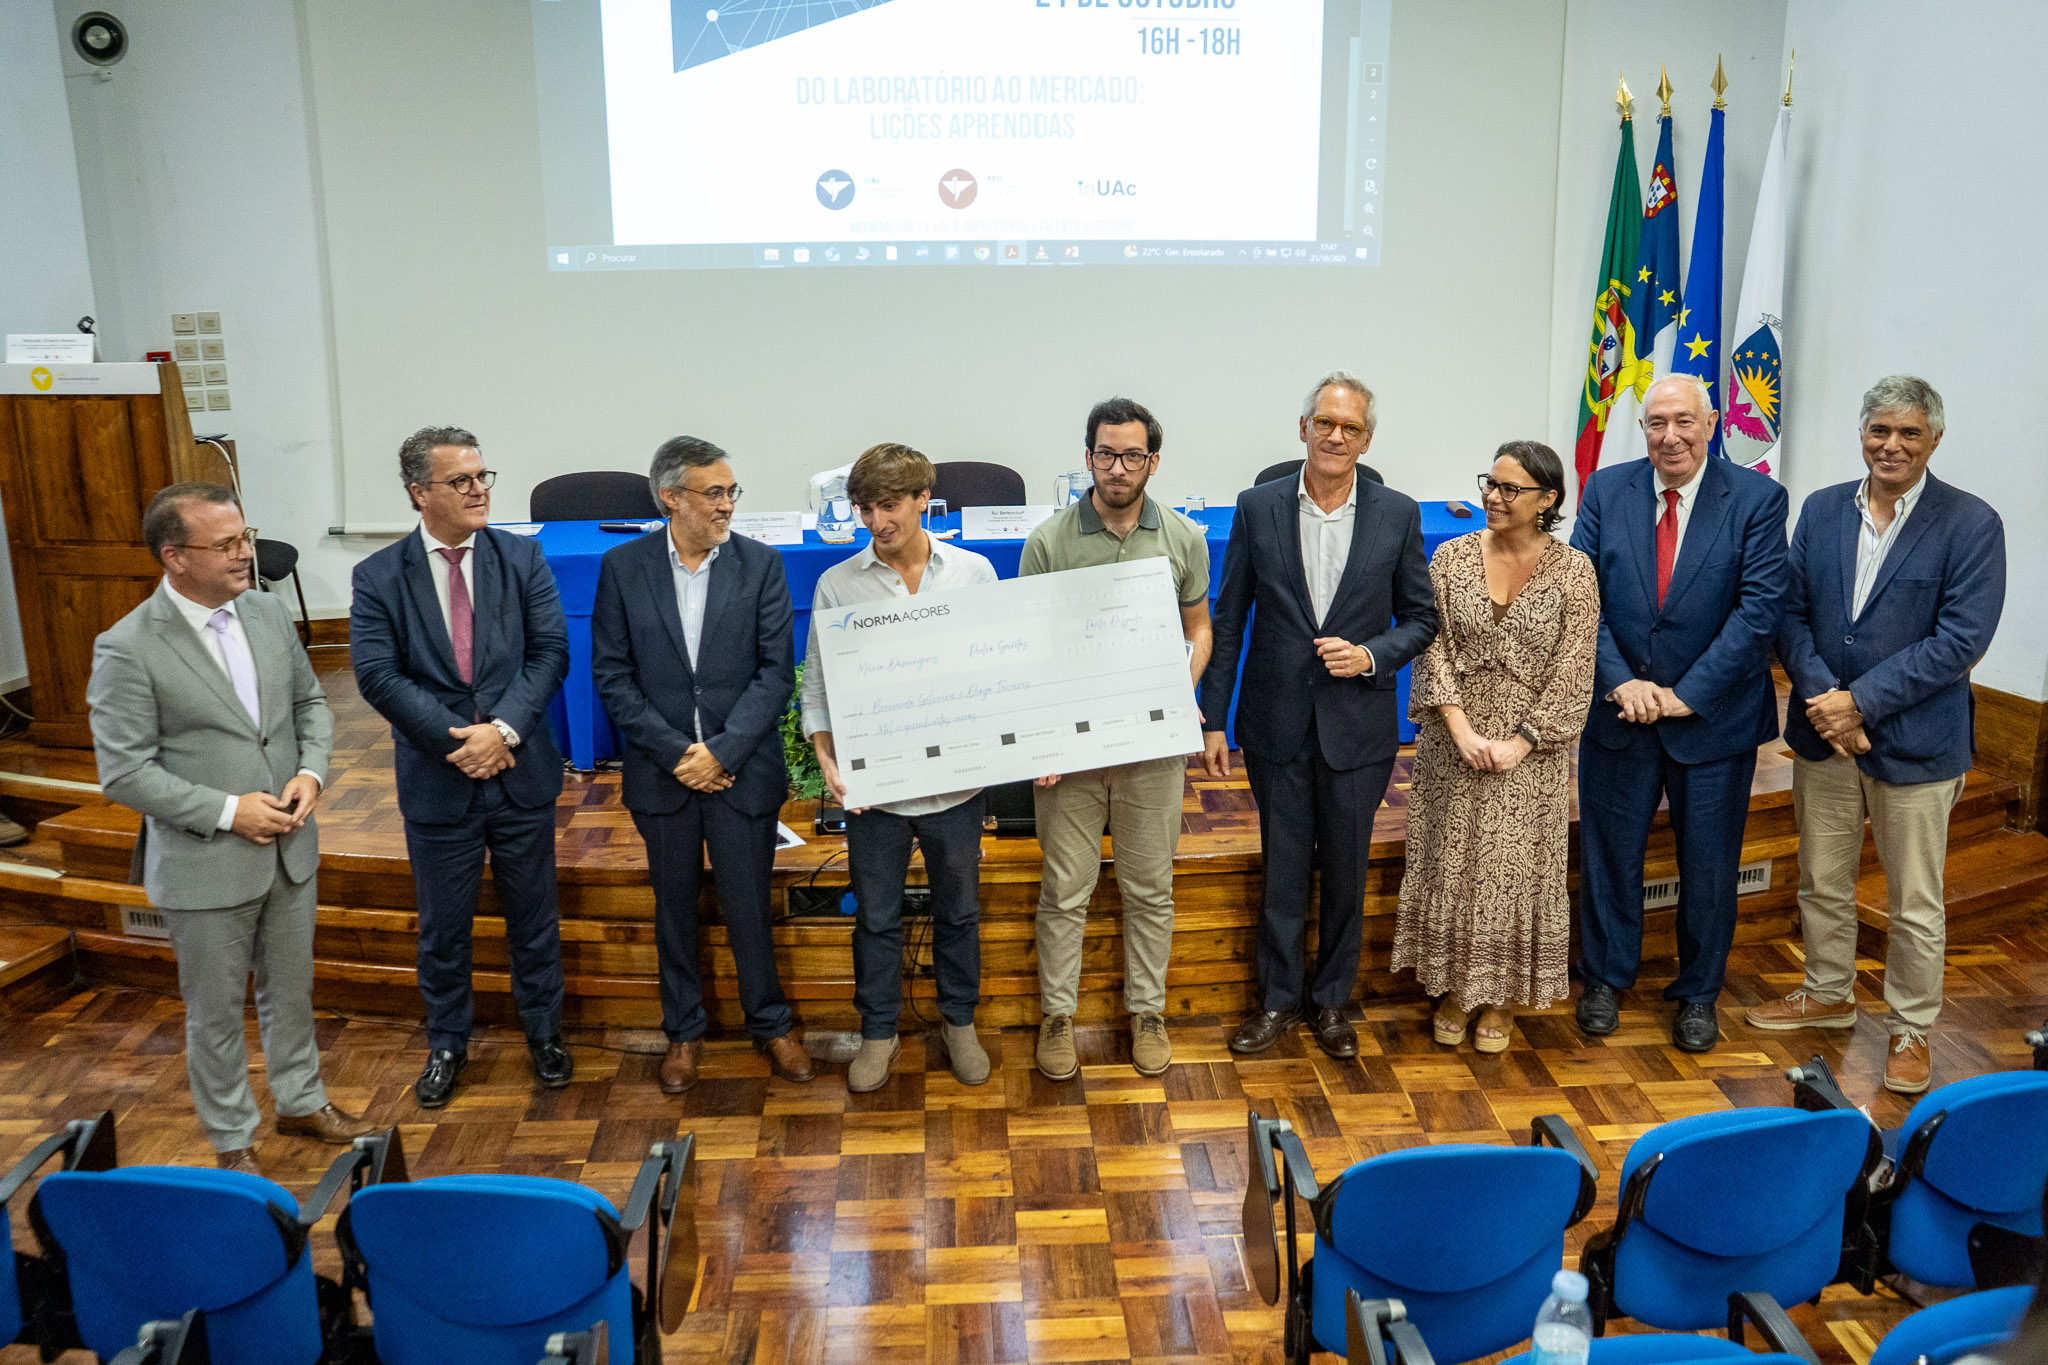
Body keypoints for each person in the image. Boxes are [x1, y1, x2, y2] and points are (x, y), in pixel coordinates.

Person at [87, 483, 371, 1174]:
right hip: (204, 859)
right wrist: (228, 810)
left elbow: (310, 702)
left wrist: (311, 774)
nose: (247, 553)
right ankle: (232, 1138)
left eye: (246, 537)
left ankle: (301, 1099)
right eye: (228, 545)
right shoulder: (126, 646)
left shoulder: (268, 614)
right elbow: (124, 772)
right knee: (215, 1014)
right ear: (174, 556)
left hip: (289, 847)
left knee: (291, 988)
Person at [1746, 376, 2004, 1095]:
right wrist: (1828, 701)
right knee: (1822, 880)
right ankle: (1827, 993)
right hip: (1825, 738)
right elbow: (1789, 614)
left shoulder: (1972, 523)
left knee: (1914, 901)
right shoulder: (1824, 508)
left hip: (1917, 745)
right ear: (1861, 433)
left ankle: (1910, 1027)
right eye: (1879, 430)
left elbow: (1960, 640)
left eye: (1909, 433)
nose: (1891, 444)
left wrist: (1858, 703)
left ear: (1935, 441)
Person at [1203, 371, 1438, 1058]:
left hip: (1357, 728)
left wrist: (1369, 656)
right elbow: (1229, 615)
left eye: (1351, 427)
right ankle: (1276, 1000)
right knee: (1281, 868)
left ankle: (1332, 1003)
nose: (1336, 436)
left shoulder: (1398, 514)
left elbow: (1421, 618)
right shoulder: (1257, 506)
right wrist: (1212, 719)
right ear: (1302, 427)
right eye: (1325, 422)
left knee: (1345, 871)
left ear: (1367, 439)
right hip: (1274, 721)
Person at [351, 427, 573, 1108]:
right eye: (461, 481)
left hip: (520, 767)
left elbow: (551, 653)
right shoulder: (379, 575)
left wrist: (501, 730)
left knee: (533, 916)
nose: (479, 490)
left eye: (483, 477)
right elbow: (377, 675)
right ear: (420, 493)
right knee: (442, 928)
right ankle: (448, 1041)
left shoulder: (522, 556)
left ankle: (544, 1032)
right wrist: (463, 740)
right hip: (438, 775)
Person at [1569, 374, 1789, 1053]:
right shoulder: (1608, 490)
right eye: (1656, 422)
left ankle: (1698, 993)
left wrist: (1685, 693)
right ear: (1643, 429)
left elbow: (1759, 611)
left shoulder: (1756, 498)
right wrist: (1620, 682)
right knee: (1610, 856)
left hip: (1713, 719)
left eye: (1683, 421)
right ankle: (1605, 978)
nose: (1670, 435)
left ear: (1712, 422)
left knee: (1710, 864)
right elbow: (1581, 597)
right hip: (1620, 713)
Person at [591, 436, 810, 1091]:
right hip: (664, 775)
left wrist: (720, 750)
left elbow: (776, 674)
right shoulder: (622, 568)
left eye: (730, 491)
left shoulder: (761, 565)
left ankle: (771, 1024)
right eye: (713, 493)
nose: (727, 504)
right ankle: (683, 1032)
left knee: (748, 906)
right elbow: (612, 674)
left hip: (740, 770)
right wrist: (679, 753)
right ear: (671, 498)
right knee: (673, 909)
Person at [1021, 397, 1213, 1081]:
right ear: (1087, 457)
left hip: (1150, 748)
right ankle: (1056, 1017)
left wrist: (1176, 694)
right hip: (1071, 752)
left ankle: (1148, 1011)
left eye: (1134, 455)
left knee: (1149, 888)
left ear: (1153, 462)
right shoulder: (1048, 541)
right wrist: (1042, 738)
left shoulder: (1184, 538)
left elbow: (1201, 630)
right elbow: (1029, 647)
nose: (1119, 467)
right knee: (1064, 889)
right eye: (1106, 453)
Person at [802, 444, 999, 1092]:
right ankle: (878, 1032)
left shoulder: (972, 575)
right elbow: (820, 691)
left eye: (888, 505)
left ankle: (960, 1024)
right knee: (877, 918)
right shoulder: (838, 583)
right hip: (875, 792)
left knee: (960, 913)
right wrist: (828, 758)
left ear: (923, 500)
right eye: (864, 507)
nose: (874, 520)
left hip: (957, 787)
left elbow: (997, 676)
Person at [1392, 441, 1598, 1052]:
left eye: (1510, 489)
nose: (1493, 497)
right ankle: (1455, 989)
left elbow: (1575, 666)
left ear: (1548, 500)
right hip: (1452, 739)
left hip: (1531, 749)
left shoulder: (1574, 570)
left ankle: (1502, 997)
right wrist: (1458, 727)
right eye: (1491, 483)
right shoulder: (1451, 557)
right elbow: (1432, 647)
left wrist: (1522, 742)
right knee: (1452, 865)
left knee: (1513, 873)